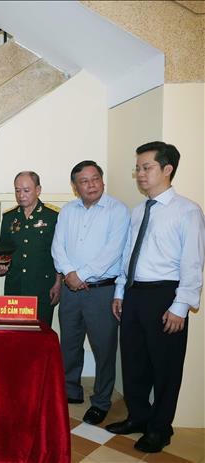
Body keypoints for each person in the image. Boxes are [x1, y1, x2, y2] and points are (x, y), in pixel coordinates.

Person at [105, 142, 205, 453]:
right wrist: (121, 291)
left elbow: (193, 262)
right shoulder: (139, 211)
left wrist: (180, 306)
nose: (140, 174)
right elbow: (128, 255)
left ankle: (160, 429)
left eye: (146, 167)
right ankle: (138, 416)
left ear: (167, 169)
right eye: (137, 168)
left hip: (165, 296)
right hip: (134, 294)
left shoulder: (187, 211)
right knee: (133, 362)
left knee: (165, 367)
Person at [51, 161, 130, 425]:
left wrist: (79, 275)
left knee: (104, 348)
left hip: (101, 291)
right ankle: (70, 390)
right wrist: (69, 274)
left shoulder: (118, 210)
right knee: (69, 344)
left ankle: (101, 401)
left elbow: (113, 251)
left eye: (95, 178)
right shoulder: (67, 211)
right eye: (84, 181)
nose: (91, 184)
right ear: (75, 187)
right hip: (70, 291)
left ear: (102, 180)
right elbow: (58, 246)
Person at [0, 171, 61, 325]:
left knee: (40, 333)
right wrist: (0, 267)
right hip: (15, 286)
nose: (21, 195)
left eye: (26, 190)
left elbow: (59, 253)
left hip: (43, 287)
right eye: (17, 190)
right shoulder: (9, 217)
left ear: (38, 190)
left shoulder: (53, 216)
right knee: (15, 333)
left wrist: (59, 283)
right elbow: (3, 251)